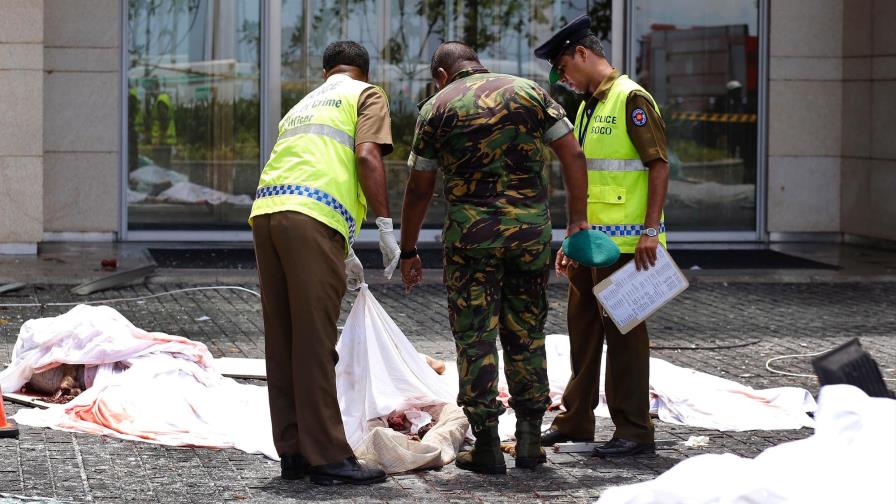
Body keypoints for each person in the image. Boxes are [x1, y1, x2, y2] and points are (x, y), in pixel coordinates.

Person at [398, 41, 589, 474]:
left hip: (472, 241)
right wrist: (577, 220)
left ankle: (485, 445)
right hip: (529, 236)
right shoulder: (531, 92)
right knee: (527, 331)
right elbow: (573, 154)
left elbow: (420, 187)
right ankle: (528, 441)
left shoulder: (437, 107)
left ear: (443, 76)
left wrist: (408, 249)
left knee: (476, 338)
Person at [249, 41, 400, 485]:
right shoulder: (367, 95)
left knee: (284, 338)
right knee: (315, 341)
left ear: (326, 73)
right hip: (309, 221)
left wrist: (343, 241)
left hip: (267, 215)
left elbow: (312, 167)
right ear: (363, 72)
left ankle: (293, 451)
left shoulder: (303, 103)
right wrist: (384, 225)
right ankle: (330, 457)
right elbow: (367, 155)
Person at [534, 14, 670, 458]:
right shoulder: (591, 104)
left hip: (631, 247)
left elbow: (658, 165)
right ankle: (576, 421)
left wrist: (650, 230)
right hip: (592, 246)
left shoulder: (631, 98)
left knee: (626, 337)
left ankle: (634, 430)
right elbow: (589, 180)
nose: (564, 80)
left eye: (564, 69)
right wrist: (572, 241)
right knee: (583, 331)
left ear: (582, 54)